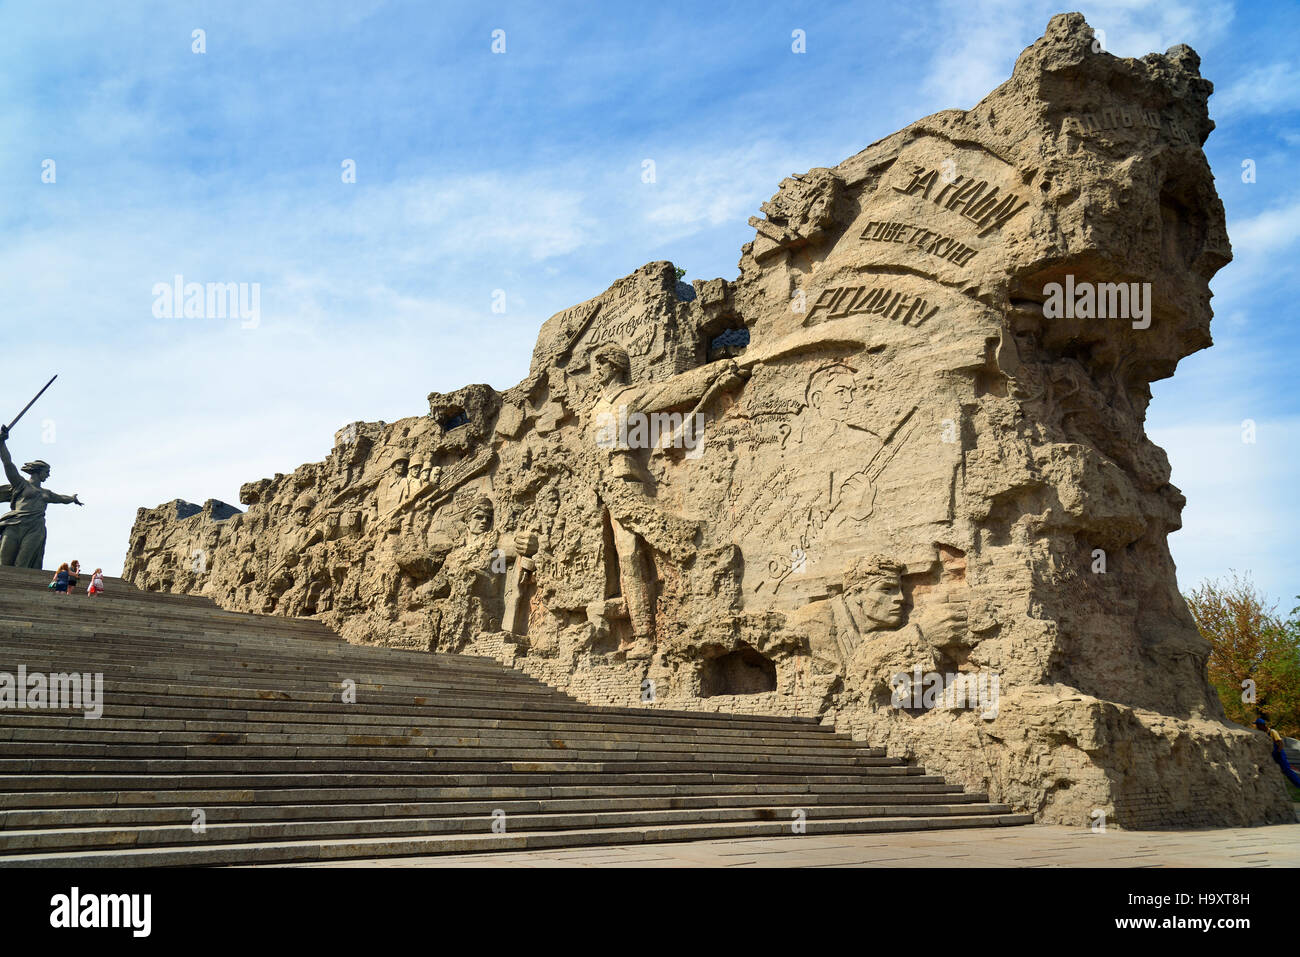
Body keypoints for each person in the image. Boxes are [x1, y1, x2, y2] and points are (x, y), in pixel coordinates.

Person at [0, 423, 83, 568]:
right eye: (47, 471)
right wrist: (2, 443)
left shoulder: (46, 493)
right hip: (14, 524)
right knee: (4, 562)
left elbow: (60, 498)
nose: (48, 475)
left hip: (35, 527)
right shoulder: (20, 484)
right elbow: (8, 464)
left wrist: (71, 498)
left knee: (22, 563)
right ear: (38, 471)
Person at [1255, 717, 1300, 788]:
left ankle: (1298, 784)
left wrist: (1278, 753)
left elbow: (1280, 743)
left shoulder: (1273, 732)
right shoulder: (1264, 733)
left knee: (1287, 770)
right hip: (1273, 754)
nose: (1256, 727)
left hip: (1279, 754)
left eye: (1257, 725)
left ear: (1261, 725)